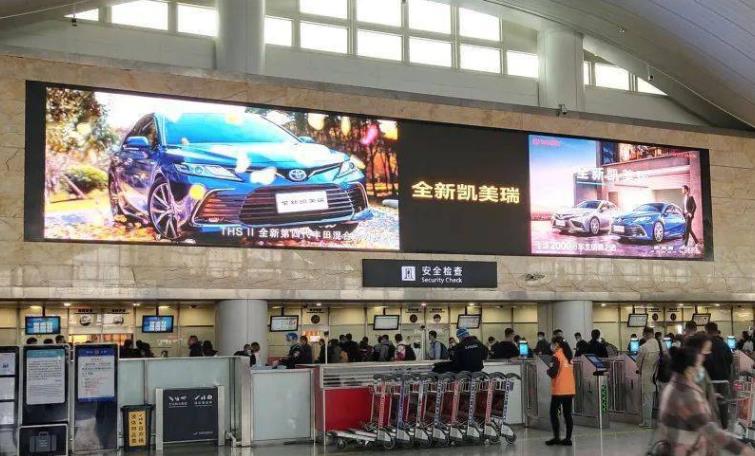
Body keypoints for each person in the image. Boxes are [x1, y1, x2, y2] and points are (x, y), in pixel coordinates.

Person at [658, 341, 755, 456]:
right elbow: (710, 431)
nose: (701, 369)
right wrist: (742, 450)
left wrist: (708, 397)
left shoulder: (673, 385)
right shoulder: (686, 393)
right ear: (689, 369)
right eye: (699, 365)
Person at [546, 336, 576, 446]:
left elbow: (553, 373)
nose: (551, 346)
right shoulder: (569, 355)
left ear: (556, 344)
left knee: (553, 413)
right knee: (567, 414)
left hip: (559, 390)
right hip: (570, 389)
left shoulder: (556, 356)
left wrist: (548, 371)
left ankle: (556, 437)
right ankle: (568, 439)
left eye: (552, 344)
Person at [703, 322, 733, 429]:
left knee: (709, 405)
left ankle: (710, 428)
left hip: (710, 380)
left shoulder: (706, 345)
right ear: (716, 330)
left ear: (707, 331)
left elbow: (703, 362)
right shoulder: (725, 345)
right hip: (724, 380)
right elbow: (730, 360)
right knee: (723, 404)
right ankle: (724, 426)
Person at [636, 326, 661, 428]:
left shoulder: (643, 347)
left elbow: (638, 363)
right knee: (660, 399)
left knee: (647, 400)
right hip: (658, 375)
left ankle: (647, 422)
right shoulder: (660, 344)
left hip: (647, 376)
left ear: (645, 334)